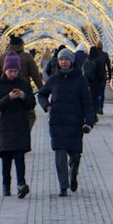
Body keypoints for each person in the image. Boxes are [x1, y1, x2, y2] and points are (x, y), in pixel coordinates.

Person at [38, 48, 94, 196]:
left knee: (75, 156)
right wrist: (47, 106)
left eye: (66, 59)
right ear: (58, 61)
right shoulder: (54, 79)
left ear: (71, 61)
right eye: (61, 59)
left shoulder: (80, 80)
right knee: (60, 154)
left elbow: (88, 103)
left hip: (75, 123)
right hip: (57, 123)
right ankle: (63, 186)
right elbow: (42, 94)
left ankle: (73, 174)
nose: (63, 62)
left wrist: (89, 122)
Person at [0, 52, 35, 198]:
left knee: (19, 157)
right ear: (5, 70)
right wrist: (8, 98)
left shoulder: (24, 83)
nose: (13, 74)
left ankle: (21, 184)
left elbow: (31, 104)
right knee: (6, 159)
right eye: (10, 71)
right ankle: (6, 185)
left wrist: (23, 96)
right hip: (4, 126)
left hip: (20, 126)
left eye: (15, 71)